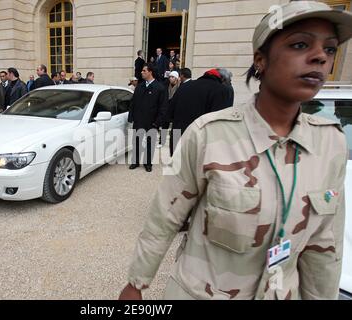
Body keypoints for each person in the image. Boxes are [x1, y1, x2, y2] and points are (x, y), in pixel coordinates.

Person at [119, 1, 352, 300]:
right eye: (300, 44)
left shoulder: (330, 144)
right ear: (261, 60)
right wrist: (137, 282)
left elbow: (325, 247)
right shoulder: (208, 135)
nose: (320, 56)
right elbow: (165, 215)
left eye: (330, 49)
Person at [167, 68, 232, 156]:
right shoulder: (221, 90)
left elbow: (170, 112)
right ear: (222, 79)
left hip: (178, 140)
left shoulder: (184, 86)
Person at [128, 63, 168, 172]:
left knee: (150, 143)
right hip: (139, 120)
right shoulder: (139, 86)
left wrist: (157, 122)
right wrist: (131, 117)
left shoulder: (160, 88)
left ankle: (148, 163)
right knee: (136, 141)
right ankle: (135, 162)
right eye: (142, 70)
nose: (142, 72)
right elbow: (133, 103)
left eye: (144, 70)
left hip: (152, 122)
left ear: (150, 72)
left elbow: (163, 107)